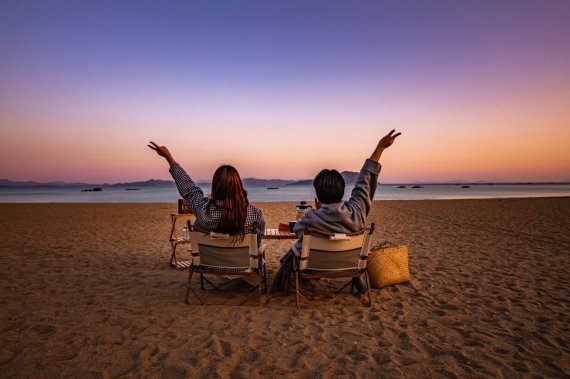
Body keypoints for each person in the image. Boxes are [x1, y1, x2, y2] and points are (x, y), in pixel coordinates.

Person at [271, 130, 401, 293]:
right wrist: (379, 148)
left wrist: (318, 212)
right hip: (349, 266)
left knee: (294, 251)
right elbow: (364, 182)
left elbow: (298, 232)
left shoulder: (311, 217)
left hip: (315, 267)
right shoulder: (356, 210)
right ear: (341, 193)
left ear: (318, 197)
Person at [148, 142, 265, 245]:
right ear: (238, 186)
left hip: (208, 264)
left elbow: (189, 189)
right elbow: (257, 242)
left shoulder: (202, 208)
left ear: (215, 185)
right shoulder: (255, 214)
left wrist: (169, 157)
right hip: (242, 266)